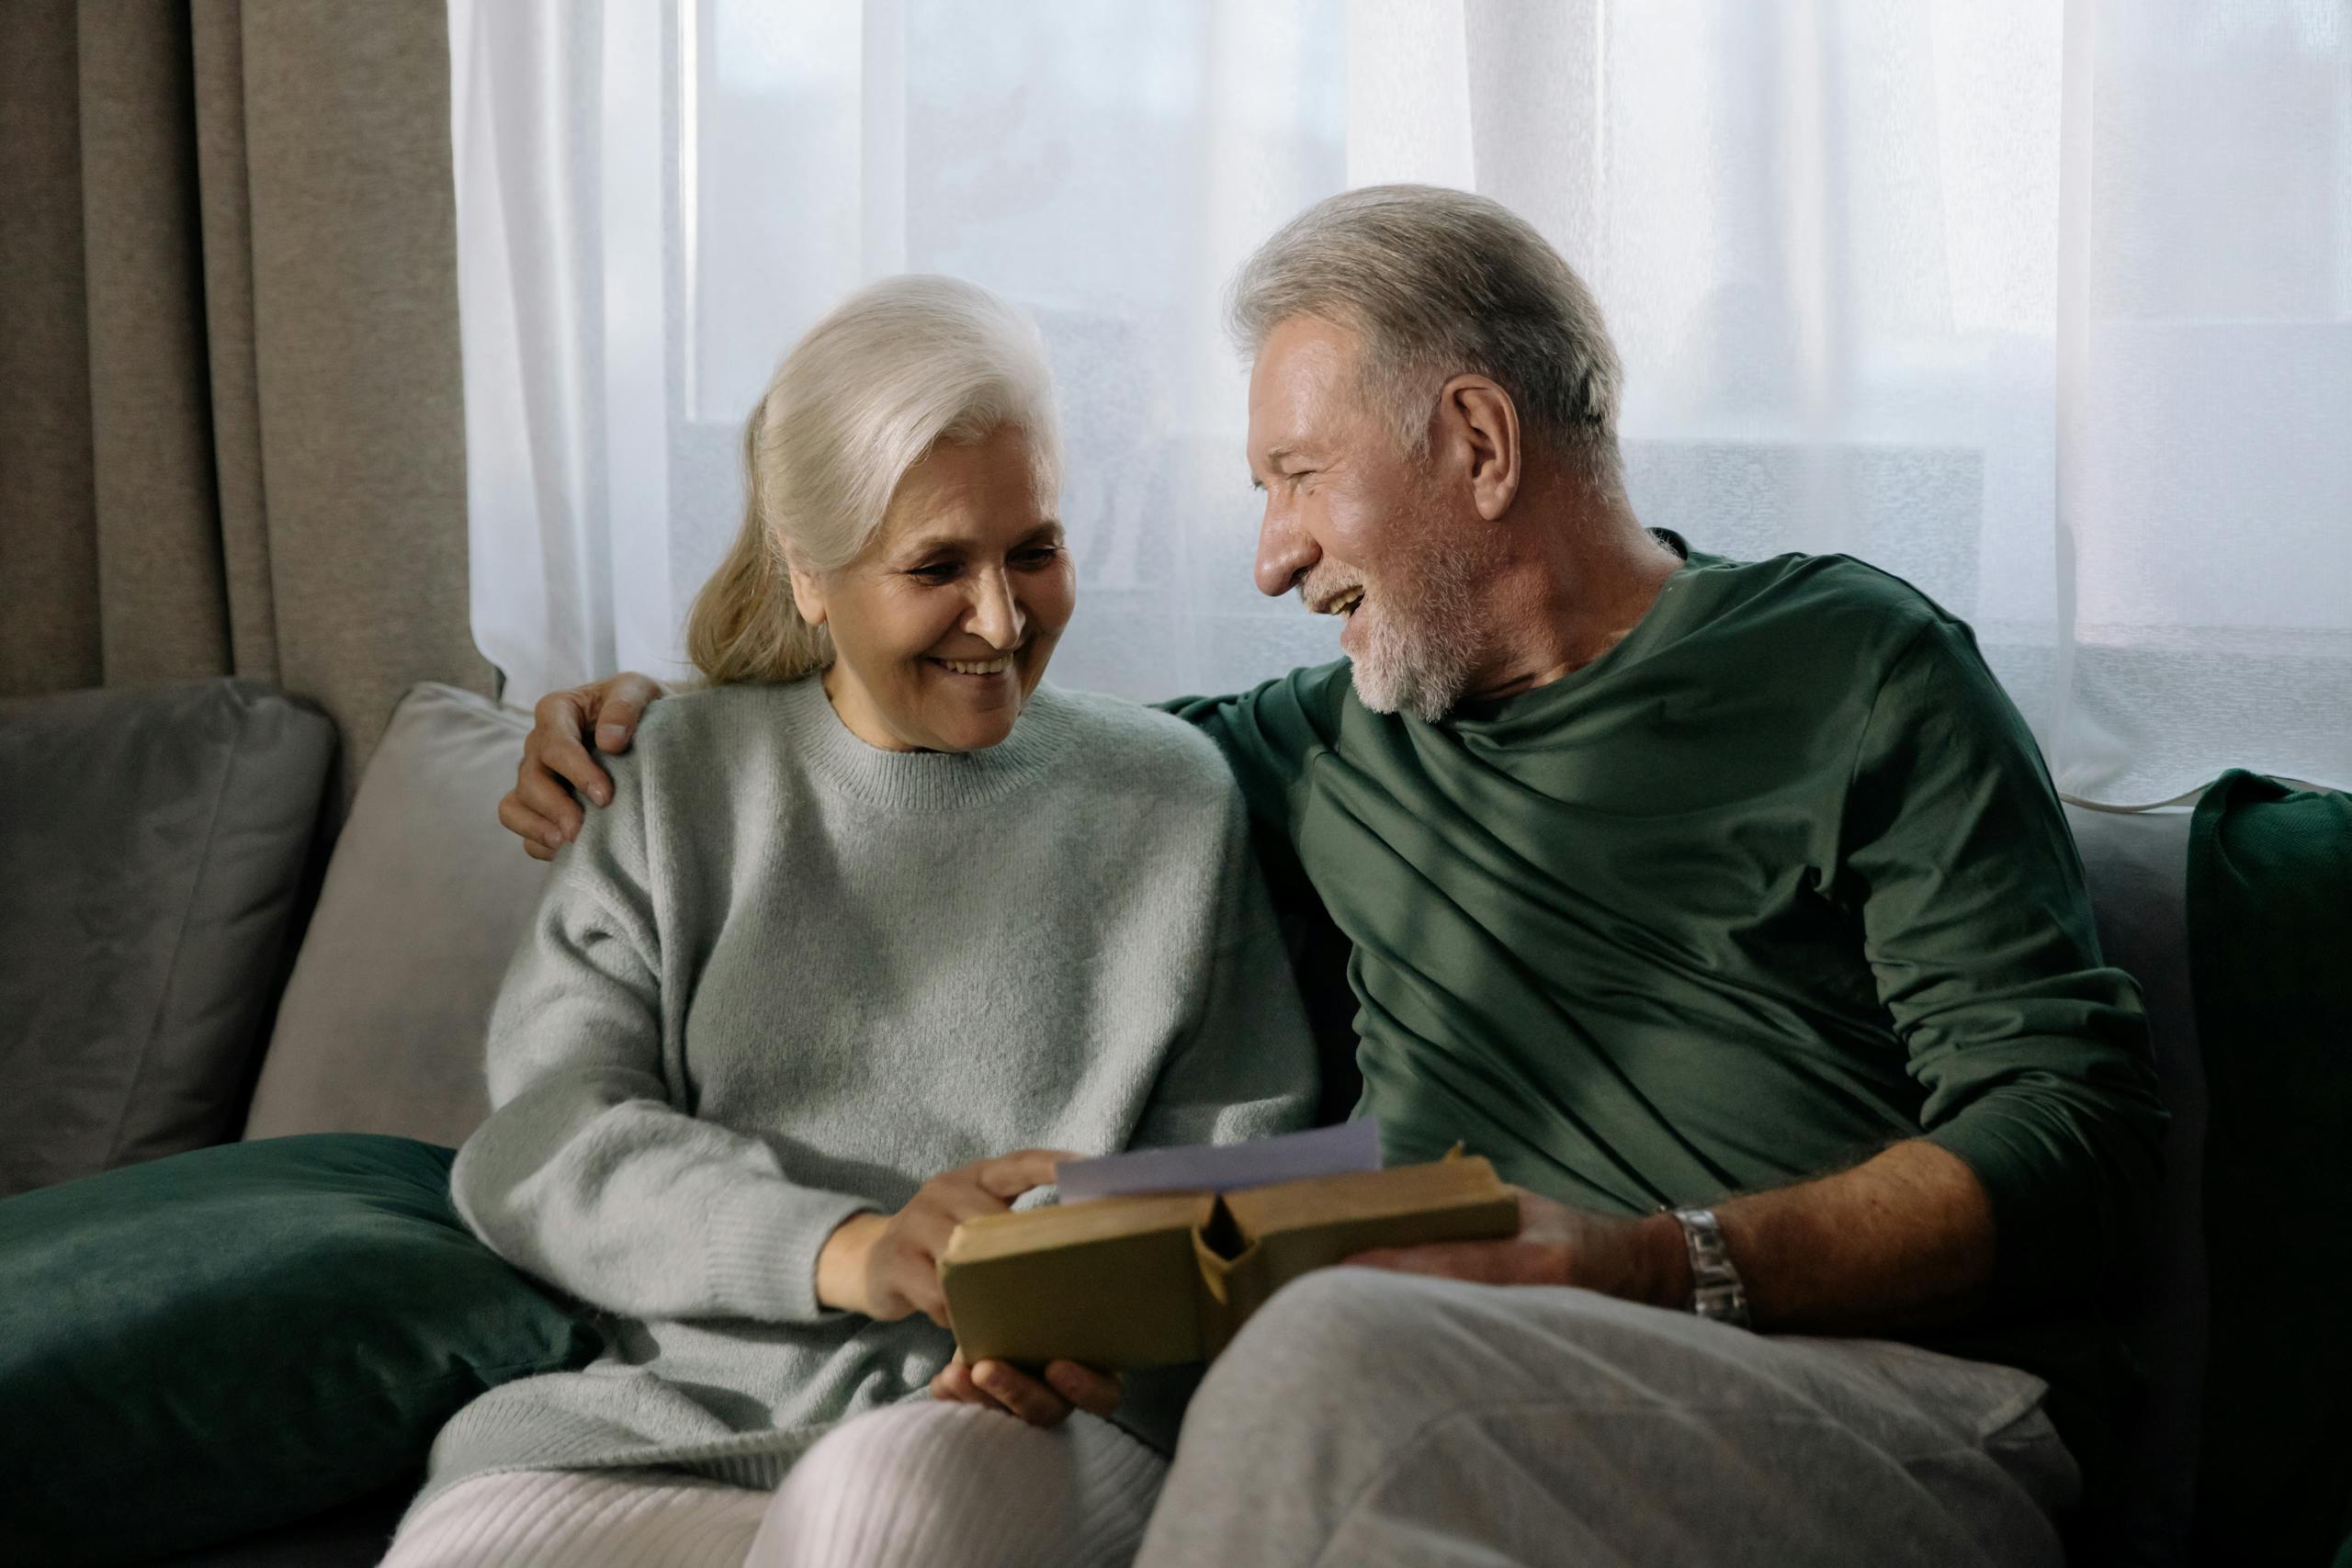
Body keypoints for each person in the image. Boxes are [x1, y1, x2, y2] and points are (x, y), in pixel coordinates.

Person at [503, 187, 2167, 1566]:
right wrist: (671, 719)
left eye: (1299, 480)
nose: (1271, 554)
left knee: (1321, 1353)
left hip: (1885, 1408)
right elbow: (970, 739)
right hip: (1476, 1400)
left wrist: (1648, 1261)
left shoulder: (1853, 666)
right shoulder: (1330, 737)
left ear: (1476, 441)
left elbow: (2073, 1135)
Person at [387, 275, 1316, 1568]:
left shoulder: (1167, 798)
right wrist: (854, 1249)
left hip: (1011, 1433)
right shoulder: (664, 779)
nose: (1002, 620)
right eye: (937, 566)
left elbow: (1236, 1172)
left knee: (873, 1525)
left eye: (1035, 551)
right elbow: (544, 1146)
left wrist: (1070, 1317)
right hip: (660, 1420)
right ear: (809, 575)